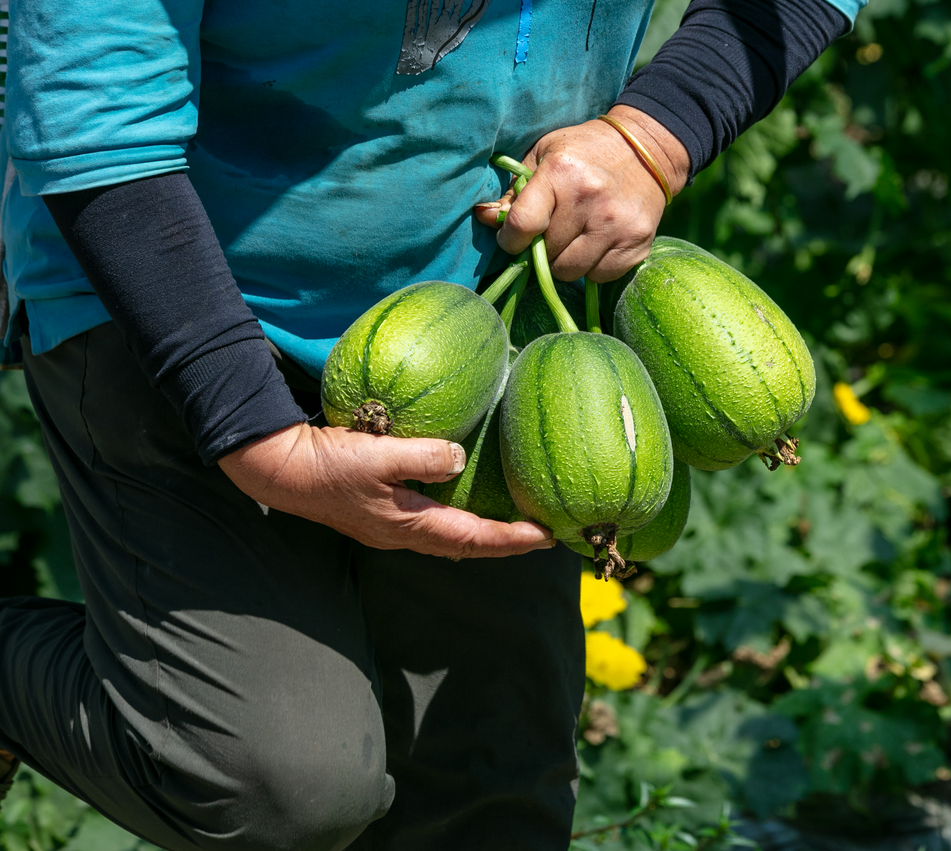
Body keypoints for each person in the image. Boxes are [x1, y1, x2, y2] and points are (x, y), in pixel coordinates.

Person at [0, 0, 866, 848]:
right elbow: (92, 83)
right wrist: (253, 434)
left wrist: (658, 134)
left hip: (495, 329)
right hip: (168, 292)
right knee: (272, 784)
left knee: (491, 795)